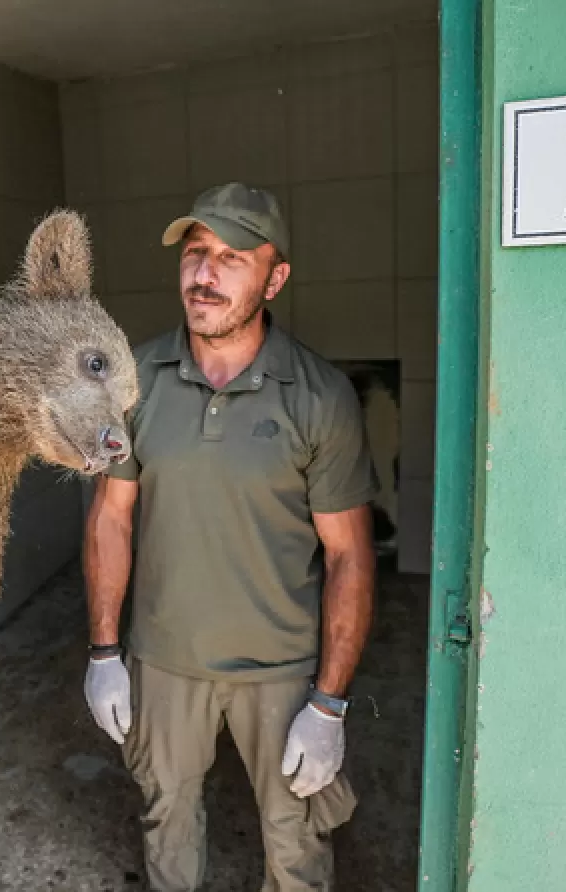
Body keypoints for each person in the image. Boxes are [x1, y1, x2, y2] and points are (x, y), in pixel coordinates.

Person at [82, 182, 379, 892]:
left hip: (280, 670)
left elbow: (349, 557)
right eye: (195, 254)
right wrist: (103, 652)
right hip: (164, 661)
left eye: (231, 257)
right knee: (167, 823)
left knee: (296, 845)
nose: (204, 274)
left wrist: (329, 704)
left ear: (274, 278)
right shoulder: (136, 381)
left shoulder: (318, 397)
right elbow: (111, 517)